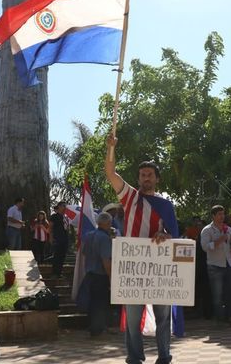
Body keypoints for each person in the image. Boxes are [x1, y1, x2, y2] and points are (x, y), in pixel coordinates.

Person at [105, 134, 175, 364]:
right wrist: (111, 148)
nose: (146, 178)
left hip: (159, 270)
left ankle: (164, 357)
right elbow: (111, 173)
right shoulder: (130, 197)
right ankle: (134, 358)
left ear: (157, 179)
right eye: (142, 175)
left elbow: (174, 237)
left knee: (164, 317)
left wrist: (164, 236)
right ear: (138, 178)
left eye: (150, 175)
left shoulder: (166, 206)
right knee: (133, 319)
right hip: (133, 269)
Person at [200, 205, 231, 326]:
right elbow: (205, 247)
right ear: (213, 216)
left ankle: (227, 316)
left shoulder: (229, 229)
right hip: (215, 266)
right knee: (217, 295)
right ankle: (220, 319)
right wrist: (220, 240)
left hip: (229, 264)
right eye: (219, 214)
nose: (222, 216)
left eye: (223, 214)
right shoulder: (207, 230)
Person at [82, 212, 114, 337]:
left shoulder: (89, 235)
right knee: (100, 302)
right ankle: (97, 329)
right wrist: (111, 278)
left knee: (93, 301)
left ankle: (93, 327)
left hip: (90, 273)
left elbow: (85, 254)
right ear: (107, 223)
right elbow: (106, 261)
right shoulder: (104, 238)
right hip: (100, 274)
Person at [49, 202, 70, 279]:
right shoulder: (54, 216)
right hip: (57, 239)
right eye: (63, 206)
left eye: (65, 206)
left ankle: (59, 273)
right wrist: (50, 238)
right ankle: (54, 273)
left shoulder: (66, 217)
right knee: (56, 256)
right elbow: (50, 227)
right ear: (59, 207)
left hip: (65, 239)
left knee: (62, 257)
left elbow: (67, 228)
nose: (65, 207)